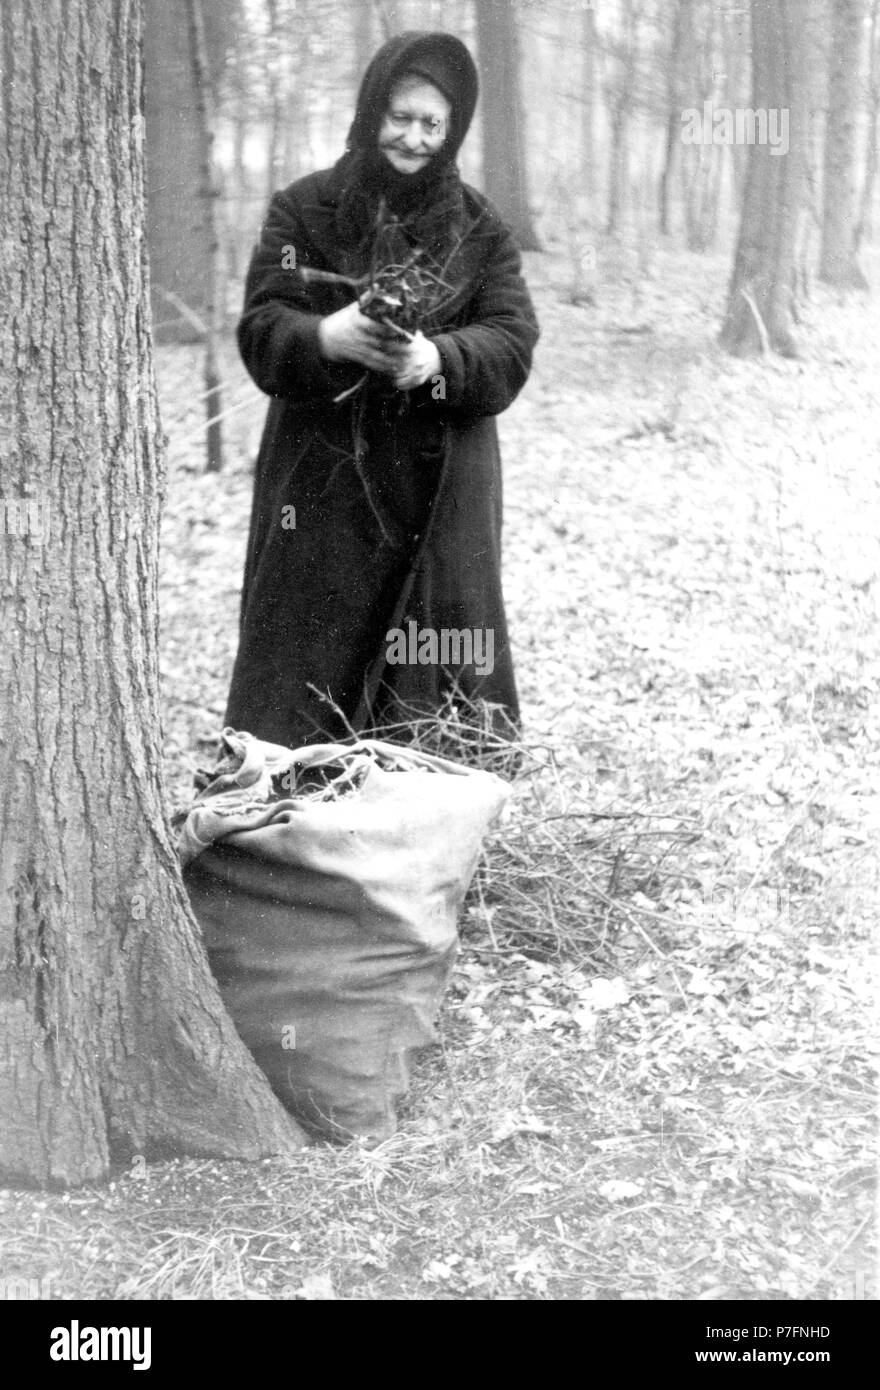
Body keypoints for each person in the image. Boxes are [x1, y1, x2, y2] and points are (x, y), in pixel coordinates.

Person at [225, 30, 540, 749]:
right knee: (306, 674)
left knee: (433, 675)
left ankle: (423, 840)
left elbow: (513, 340)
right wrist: (325, 338)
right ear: (373, 111)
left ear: (453, 129)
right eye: (401, 116)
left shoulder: (483, 229)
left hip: (440, 497)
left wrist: (439, 360)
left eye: (433, 123)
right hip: (323, 493)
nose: (415, 137)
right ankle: (292, 830)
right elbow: (260, 326)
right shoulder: (303, 211)